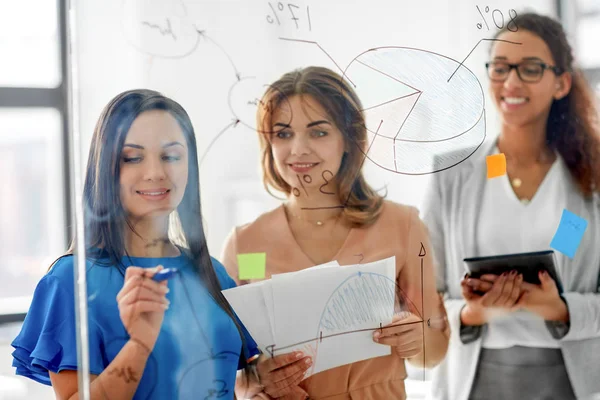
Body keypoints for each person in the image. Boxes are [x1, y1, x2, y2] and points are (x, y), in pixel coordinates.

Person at [11, 89, 260, 400]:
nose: (155, 173)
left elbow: (229, 386)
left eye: (171, 156)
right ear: (106, 168)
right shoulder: (71, 281)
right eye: (132, 158)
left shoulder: (212, 273)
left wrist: (268, 383)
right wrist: (139, 344)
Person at [221, 66, 450, 399]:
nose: (298, 149)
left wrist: (418, 339)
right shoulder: (247, 245)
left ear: (348, 140)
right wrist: (256, 380)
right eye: (283, 134)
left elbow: (435, 349)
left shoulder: (403, 226)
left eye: (318, 132)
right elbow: (227, 369)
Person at [423, 13, 600, 400]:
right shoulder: (452, 176)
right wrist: (472, 314)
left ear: (562, 82)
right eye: (500, 68)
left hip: (569, 382)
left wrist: (561, 308)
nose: (512, 82)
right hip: (474, 379)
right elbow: (423, 297)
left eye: (531, 69)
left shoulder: (591, 181)